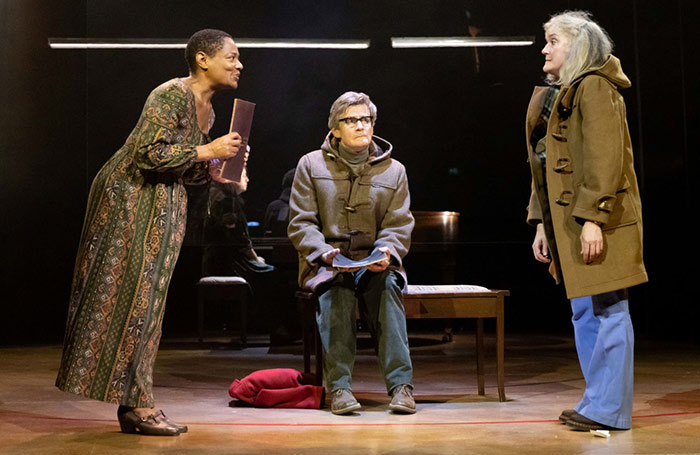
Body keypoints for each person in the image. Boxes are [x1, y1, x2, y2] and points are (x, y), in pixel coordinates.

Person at [56, 29, 244, 436]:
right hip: (129, 197)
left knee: (150, 303)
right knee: (133, 299)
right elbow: (147, 154)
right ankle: (137, 406)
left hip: (165, 203)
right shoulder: (170, 94)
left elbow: (185, 169)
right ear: (202, 59)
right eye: (231, 57)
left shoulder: (208, 112)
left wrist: (220, 175)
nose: (238, 65)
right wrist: (208, 152)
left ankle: (137, 403)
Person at [526, 11, 648, 431]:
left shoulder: (595, 87)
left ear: (577, 46)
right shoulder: (563, 92)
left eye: (553, 40)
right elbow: (547, 165)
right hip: (570, 224)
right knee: (586, 312)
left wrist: (594, 219)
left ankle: (610, 409)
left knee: (609, 308)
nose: (545, 48)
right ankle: (598, 401)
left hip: (600, 220)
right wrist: (541, 221)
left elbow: (604, 157)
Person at [288, 92, 416, 415]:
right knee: (336, 291)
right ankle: (340, 388)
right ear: (335, 130)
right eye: (352, 120)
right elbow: (301, 222)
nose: (361, 125)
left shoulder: (394, 171)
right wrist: (324, 254)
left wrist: (387, 250)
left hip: (374, 262)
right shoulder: (310, 165)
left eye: (366, 119)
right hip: (327, 263)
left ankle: (402, 387)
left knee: (387, 288)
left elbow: (398, 224)